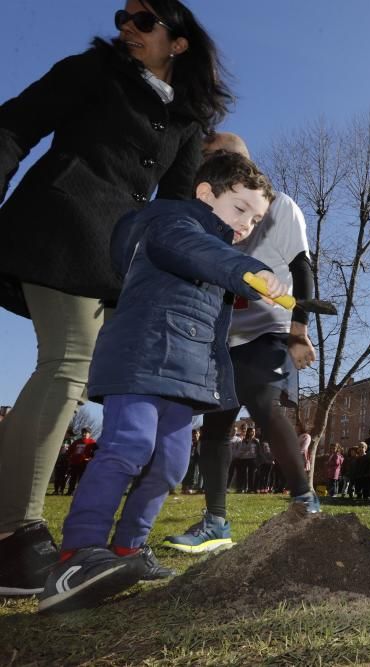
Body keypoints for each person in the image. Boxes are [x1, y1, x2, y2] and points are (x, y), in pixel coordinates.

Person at [0, 0, 232, 596]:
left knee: (97, 373)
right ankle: (13, 537)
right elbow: (13, 124)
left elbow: (175, 213)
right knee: (68, 363)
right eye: (122, 17)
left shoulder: (184, 119)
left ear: (177, 42)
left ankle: (115, 542)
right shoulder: (92, 72)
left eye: (143, 19)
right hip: (57, 227)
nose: (126, 27)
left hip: (116, 264)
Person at [38, 151, 286, 612]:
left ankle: (129, 549)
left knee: (170, 465)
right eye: (240, 210)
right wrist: (244, 271)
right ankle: (78, 553)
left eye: (255, 220)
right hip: (140, 357)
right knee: (129, 447)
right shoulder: (171, 222)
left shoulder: (218, 252)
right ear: (205, 193)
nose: (246, 225)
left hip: (181, 374)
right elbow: (190, 250)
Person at [162, 133, 320, 554]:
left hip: (269, 328)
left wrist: (299, 331)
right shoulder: (202, 212)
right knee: (215, 421)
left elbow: (302, 269)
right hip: (221, 334)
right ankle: (215, 521)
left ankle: (306, 502)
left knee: (261, 398)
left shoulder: (278, 207)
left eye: (223, 158)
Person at [66, 429, 99, 496]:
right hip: (75, 463)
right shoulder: (76, 442)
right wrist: (69, 458)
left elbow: (96, 453)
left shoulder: (92, 442)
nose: (84, 434)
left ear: (89, 434)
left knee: (82, 479)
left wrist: (89, 458)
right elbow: (70, 450)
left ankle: (80, 493)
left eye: (86, 433)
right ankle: (70, 492)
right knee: (73, 478)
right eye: (83, 433)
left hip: (84, 463)